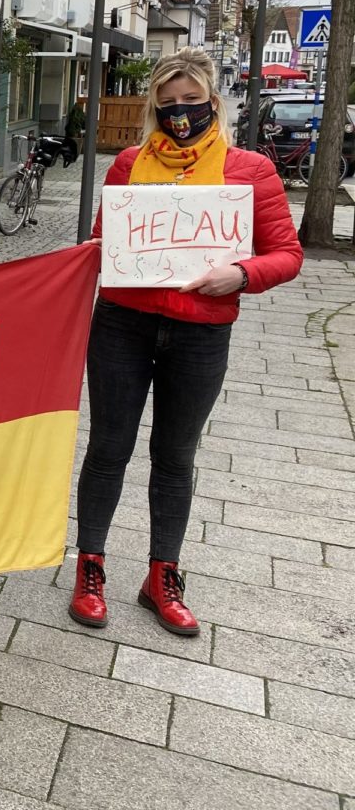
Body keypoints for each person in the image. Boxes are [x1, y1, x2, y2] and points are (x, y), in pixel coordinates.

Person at [70, 48, 302, 637]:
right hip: (123, 324)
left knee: (176, 456)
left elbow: (287, 254)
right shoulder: (127, 163)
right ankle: (90, 566)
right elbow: (104, 242)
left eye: (191, 102)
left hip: (201, 333)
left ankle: (161, 576)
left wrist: (242, 275)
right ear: (154, 107)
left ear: (212, 104)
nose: (180, 113)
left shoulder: (249, 170)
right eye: (168, 104)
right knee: (108, 448)